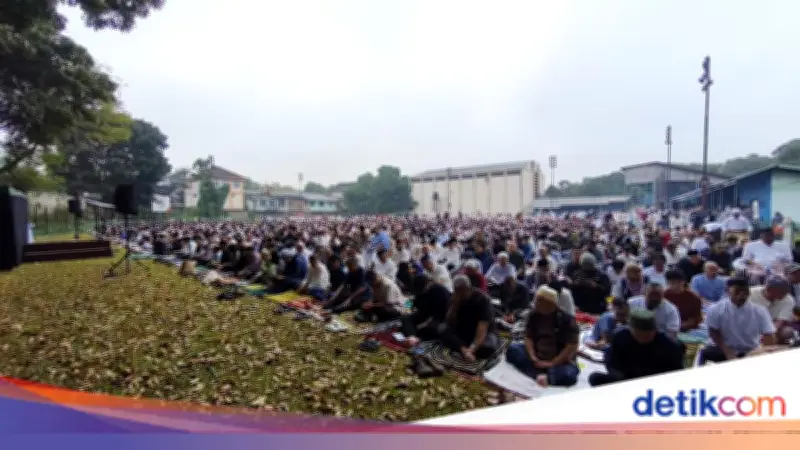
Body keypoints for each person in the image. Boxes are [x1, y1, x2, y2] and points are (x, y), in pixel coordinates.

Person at [505, 286, 580, 387]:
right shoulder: (533, 315)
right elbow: (528, 337)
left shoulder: (567, 320)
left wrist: (551, 363)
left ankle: (543, 375)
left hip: (558, 361)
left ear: (550, 304)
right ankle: (540, 376)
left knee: (569, 375)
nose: (536, 303)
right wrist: (533, 357)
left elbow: (571, 348)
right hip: (537, 356)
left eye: (539, 301)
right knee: (513, 349)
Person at [588, 308, 684, 387]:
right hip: (625, 379)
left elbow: (676, 376)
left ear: (654, 331)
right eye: (639, 335)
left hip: (654, 384)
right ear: (631, 330)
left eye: (647, 335)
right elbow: (611, 360)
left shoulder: (670, 346)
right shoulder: (621, 337)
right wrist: (618, 375)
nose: (642, 339)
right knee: (595, 378)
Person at [699, 277, 777, 365]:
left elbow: (768, 334)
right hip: (722, 349)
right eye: (737, 292)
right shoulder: (715, 309)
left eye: (745, 292)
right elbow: (714, 332)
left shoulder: (760, 311)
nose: (741, 295)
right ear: (728, 292)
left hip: (751, 349)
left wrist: (766, 350)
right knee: (706, 353)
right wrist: (728, 352)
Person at [438, 275, 501, 362]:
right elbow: (449, 322)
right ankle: (463, 349)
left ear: (468, 288)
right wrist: (454, 306)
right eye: (457, 292)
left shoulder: (482, 299)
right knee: (442, 330)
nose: (460, 295)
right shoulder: (455, 297)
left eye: (462, 292)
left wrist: (472, 349)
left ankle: (463, 349)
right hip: (463, 330)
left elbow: (482, 328)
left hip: (481, 334)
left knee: (488, 348)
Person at [401, 274, 451, 346]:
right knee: (405, 318)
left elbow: (440, 316)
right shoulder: (419, 290)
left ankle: (417, 338)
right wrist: (406, 308)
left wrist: (424, 325)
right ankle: (412, 337)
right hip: (425, 314)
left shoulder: (441, 292)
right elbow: (412, 301)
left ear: (428, 284)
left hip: (439, 319)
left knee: (437, 330)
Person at [747, 276, 796, 344]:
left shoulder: (788, 299)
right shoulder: (749, 293)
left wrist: (767, 334)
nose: (785, 293)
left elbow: (780, 322)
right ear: (769, 289)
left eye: (786, 290)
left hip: (772, 327)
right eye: (782, 291)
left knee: (788, 332)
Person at [663, 270, 704, 334]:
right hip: (666, 327)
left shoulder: (694, 298)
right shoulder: (663, 295)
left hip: (686, 330)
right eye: (669, 283)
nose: (670, 285)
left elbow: (695, 319)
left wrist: (679, 326)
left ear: (682, 282)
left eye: (673, 283)